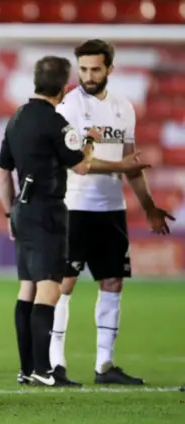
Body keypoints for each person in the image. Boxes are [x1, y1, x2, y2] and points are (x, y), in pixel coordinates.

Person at [0, 56, 151, 387]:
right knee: (49, 289)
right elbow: (81, 166)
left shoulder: (16, 118)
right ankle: (42, 368)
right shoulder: (56, 122)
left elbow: (2, 171)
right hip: (47, 211)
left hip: (22, 208)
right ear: (64, 86)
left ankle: (27, 370)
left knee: (27, 288)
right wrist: (90, 141)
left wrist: (10, 211)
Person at [48, 40, 176, 386]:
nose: (88, 76)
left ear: (109, 70)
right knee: (64, 285)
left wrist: (148, 207)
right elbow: (79, 163)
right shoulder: (68, 107)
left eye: (95, 69)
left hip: (111, 210)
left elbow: (132, 165)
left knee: (113, 282)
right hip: (73, 207)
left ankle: (104, 365)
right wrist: (119, 164)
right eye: (83, 69)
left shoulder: (124, 108)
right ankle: (54, 364)